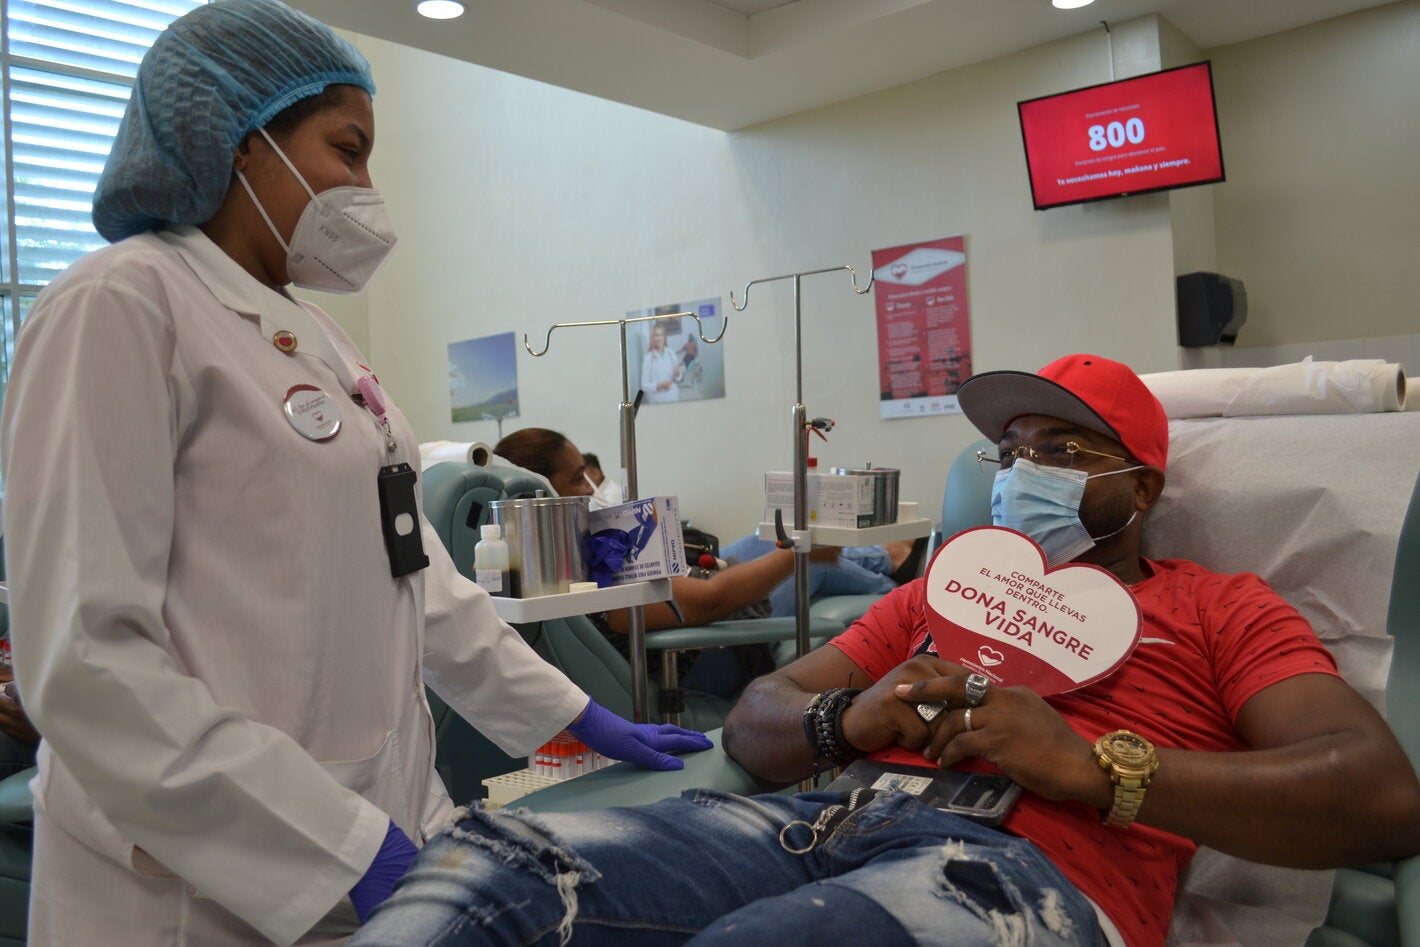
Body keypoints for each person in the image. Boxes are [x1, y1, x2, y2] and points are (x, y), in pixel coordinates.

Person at [0, 3, 708, 944]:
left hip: (379, 817)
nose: (366, 188)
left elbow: (417, 582)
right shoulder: (117, 305)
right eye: (348, 149)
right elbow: (88, 658)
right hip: (190, 878)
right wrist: (337, 844)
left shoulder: (319, 340)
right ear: (245, 142)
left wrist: (574, 716)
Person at [350, 354, 1420, 947]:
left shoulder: (1217, 609)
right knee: (484, 866)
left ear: (1138, 486)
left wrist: (1098, 768)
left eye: (1063, 450)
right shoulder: (945, 589)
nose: (1020, 470)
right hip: (816, 816)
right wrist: (843, 720)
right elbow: (758, 711)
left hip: (1025, 865)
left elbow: (1377, 794)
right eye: (1010, 451)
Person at [639, 322, 683, 403]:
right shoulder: (648, 358)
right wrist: (659, 386)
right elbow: (644, 385)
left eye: (661, 334)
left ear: (664, 336)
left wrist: (678, 373)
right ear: (652, 338)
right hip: (657, 400)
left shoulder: (671, 353)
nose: (659, 338)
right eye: (656, 335)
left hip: (673, 397)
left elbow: (678, 378)